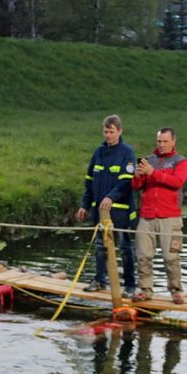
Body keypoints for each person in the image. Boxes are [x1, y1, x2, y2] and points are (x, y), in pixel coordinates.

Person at [77, 114, 137, 297]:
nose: (108, 135)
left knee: (125, 248)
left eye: (111, 132)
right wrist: (84, 205)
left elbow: (126, 182)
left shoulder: (127, 153)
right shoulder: (98, 153)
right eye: (105, 132)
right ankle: (99, 280)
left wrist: (111, 197)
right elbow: (89, 182)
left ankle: (129, 285)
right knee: (99, 247)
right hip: (99, 211)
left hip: (120, 211)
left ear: (119, 131)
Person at [131, 127, 187, 304]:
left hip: (170, 217)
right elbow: (136, 186)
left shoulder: (180, 162)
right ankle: (145, 290)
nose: (161, 145)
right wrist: (138, 175)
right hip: (147, 215)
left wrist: (152, 173)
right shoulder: (149, 160)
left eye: (165, 141)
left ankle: (176, 291)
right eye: (159, 141)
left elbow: (176, 182)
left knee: (171, 257)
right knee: (143, 256)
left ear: (173, 141)